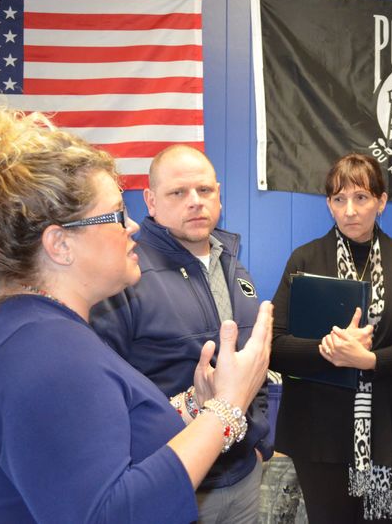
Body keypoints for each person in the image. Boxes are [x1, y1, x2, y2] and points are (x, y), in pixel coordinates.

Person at [0, 108, 273, 523]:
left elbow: (104, 441)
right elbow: (112, 513)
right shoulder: (45, 354)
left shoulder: (39, 328)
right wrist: (227, 408)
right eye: (114, 215)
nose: (133, 229)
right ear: (60, 245)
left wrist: (198, 407)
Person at [90, 144, 271, 524]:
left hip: (242, 478)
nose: (195, 202)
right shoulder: (127, 273)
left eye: (204, 191)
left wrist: (259, 442)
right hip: (174, 484)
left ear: (218, 194)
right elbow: (103, 395)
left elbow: (254, 364)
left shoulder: (233, 266)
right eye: (178, 193)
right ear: (151, 201)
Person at [269, 153, 392, 523]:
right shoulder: (305, 259)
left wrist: (370, 361)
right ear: (329, 204)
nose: (350, 210)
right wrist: (328, 349)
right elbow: (275, 347)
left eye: (361, 198)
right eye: (338, 199)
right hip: (320, 436)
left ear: (382, 201)